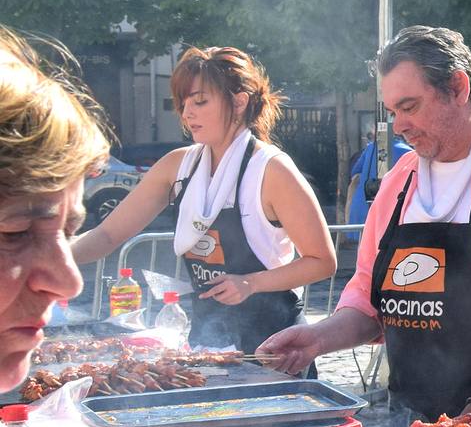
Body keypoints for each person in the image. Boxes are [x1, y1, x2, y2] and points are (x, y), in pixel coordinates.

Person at [0, 28, 283, 427]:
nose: (68, 280)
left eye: (65, 231)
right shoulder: (176, 168)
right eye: (15, 231)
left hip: (255, 333)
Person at [258, 27, 471, 427]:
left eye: (409, 107)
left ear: (457, 87)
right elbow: (368, 299)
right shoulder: (400, 182)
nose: (399, 126)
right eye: (392, 111)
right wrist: (318, 339)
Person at [72, 47, 335, 353]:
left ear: (239, 102)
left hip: (276, 344)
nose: (186, 113)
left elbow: (322, 261)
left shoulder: (272, 170)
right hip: (208, 344)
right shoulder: (177, 166)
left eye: (199, 101)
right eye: (183, 104)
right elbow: (107, 234)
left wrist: (250, 283)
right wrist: (40, 255)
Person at [346, 128, 412, 234]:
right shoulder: (408, 152)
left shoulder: (370, 148)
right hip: (389, 212)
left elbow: (355, 172)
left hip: (361, 205)